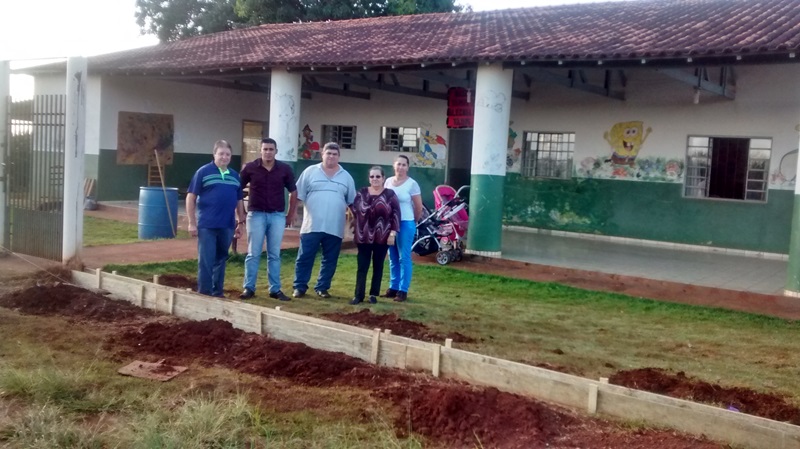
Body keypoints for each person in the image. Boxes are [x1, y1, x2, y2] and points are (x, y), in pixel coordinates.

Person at [292, 142, 356, 299]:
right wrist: (292, 213)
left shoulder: (346, 177)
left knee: (330, 259)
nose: (331, 156)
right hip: (311, 225)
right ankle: (299, 287)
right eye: (328, 153)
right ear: (322, 154)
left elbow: (352, 202)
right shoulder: (310, 172)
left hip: (335, 226)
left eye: (335, 154)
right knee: (305, 257)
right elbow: (297, 195)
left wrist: (356, 221)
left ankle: (322, 287)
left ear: (339, 157)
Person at [238, 138, 298, 301]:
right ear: (260, 150)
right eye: (265, 149)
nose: (268, 152)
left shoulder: (284, 169)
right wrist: (241, 213)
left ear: (276, 151)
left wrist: (290, 214)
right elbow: (237, 189)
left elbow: (293, 192)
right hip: (256, 215)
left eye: (271, 149)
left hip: (277, 216)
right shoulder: (250, 168)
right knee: (253, 253)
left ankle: (275, 289)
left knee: (274, 254)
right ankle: (249, 288)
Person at [186, 140, 245, 297]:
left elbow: (239, 201)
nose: (224, 157)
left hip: (227, 225)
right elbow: (191, 197)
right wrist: (192, 223)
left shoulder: (235, 176)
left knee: (221, 258)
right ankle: (204, 293)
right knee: (206, 260)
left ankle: (217, 292)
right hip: (207, 225)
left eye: (228, 154)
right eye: (221, 154)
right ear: (214, 154)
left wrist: (240, 222)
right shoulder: (203, 172)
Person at [349, 166, 400, 305]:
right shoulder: (362, 193)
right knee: (362, 266)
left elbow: (396, 215)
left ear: (383, 178)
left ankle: (373, 294)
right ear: (369, 178)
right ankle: (358, 295)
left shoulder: (390, 194)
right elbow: (355, 210)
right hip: (363, 236)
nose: (375, 179)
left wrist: (392, 234)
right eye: (372, 176)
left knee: (378, 266)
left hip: (382, 236)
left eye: (378, 176)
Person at [384, 154, 423, 302]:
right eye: (398, 164)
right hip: (390, 225)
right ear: (394, 165)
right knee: (392, 257)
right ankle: (393, 287)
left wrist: (413, 221)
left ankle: (403, 290)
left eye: (404, 165)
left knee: (404, 257)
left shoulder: (412, 184)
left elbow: (418, 207)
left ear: (407, 167)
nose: (400, 167)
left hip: (406, 223)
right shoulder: (388, 181)